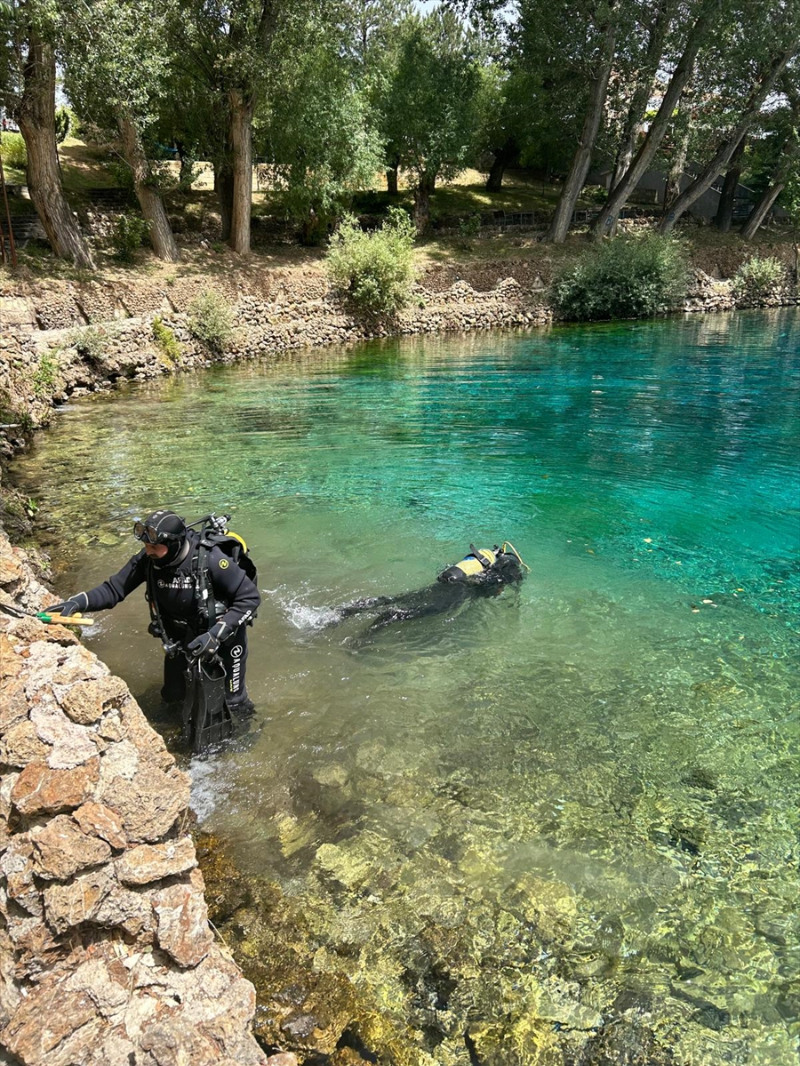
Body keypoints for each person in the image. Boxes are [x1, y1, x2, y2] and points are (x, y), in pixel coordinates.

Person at [51, 509, 260, 717]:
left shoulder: (212, 560)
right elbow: (114, 589)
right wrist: (77, 603)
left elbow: (249, 598)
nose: (148, 550)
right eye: (145, 545)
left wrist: (216, 635)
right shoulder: (148, 560)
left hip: (223, 638)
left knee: (233, 704)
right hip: (179, 638)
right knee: (172, 698)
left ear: (174, 544)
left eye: (153, 546)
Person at [336, 543, 527, 632]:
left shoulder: (481, 559)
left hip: (447, 582)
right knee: (426, 610)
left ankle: (348, 610)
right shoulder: (507, 571)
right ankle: (384, 620)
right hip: (459, 590)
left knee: (403, 598)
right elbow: (488, 590)